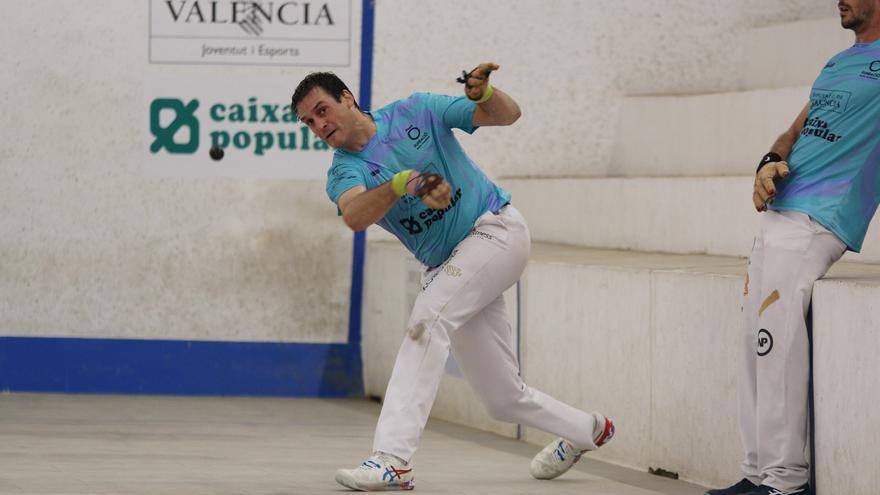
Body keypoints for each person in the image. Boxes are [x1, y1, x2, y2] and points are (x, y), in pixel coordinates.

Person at [291, 63, 614, 491]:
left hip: (495, 231)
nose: (319, 125)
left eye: (322, 110)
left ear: (347, 98)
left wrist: (485, 96)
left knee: (427, 322)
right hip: (450, 265)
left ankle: (393, 458)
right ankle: (587, 429)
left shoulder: (417, 110)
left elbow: (508, 115)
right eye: (309, 122)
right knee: (501, 398)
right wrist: (401, 184)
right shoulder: (343, 170)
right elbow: (355, 215)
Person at [707, 2, 880, 494]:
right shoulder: (837, 62)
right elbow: (795, 130)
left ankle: (785, 481)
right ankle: (756, 471)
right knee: (753, 343)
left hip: (820, 218)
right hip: (779, 211)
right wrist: (768, 161)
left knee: (775, 340)